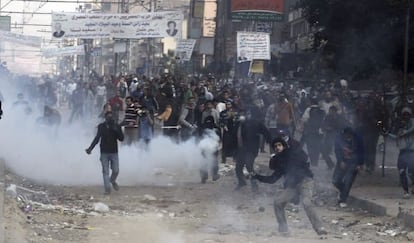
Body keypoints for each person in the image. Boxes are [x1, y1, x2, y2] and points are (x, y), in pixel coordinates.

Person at [251, 138, 327, 236]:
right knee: (278, 202)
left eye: (279, 145)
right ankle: (283, 229)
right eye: (275, 146)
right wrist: (256, 176)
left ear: (284, 145)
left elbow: (302, 155)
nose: (277, 148)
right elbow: (272, 179)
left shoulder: (292, 152)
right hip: (293, 186)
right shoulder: (279, 161)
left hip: (305, 181)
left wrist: (290, 142)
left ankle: (320, 228)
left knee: (306, 202)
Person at [85, 111, 124, 195]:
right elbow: (97, 138)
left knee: (116, 170)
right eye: (108, 117)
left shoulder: (117, 126)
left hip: (114, 152)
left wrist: (116, 130)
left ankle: (112, 180)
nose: (109, 119)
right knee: (105, 171)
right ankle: (107, 189)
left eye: (111, 117)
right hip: (104, 152)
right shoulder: (101, 126)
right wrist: (90, 148)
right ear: (105, 118)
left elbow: (121, 139)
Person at [332, 127, 364, 208]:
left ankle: (343, 200)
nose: (347, 138)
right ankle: (343, 192)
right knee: (335, 180)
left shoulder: (358, 139)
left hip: (353, 162)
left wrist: (360, 164)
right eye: (345, 136)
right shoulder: (339, 139)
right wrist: (340, 161)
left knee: (348, 181)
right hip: (342, 161)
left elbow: (362, 152)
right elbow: (337, 151)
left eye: (348, 136)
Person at [389, 107, 414, 198]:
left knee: (411, 172)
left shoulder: (412, 122)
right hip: (403, 152)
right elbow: (396, 137)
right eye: (404, 115)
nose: (406, 116)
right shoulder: (400, 126)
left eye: (407, 114)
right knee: (401, 171)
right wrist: (387, 134)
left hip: (412, 152)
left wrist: (405, 133)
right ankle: (406, 191)